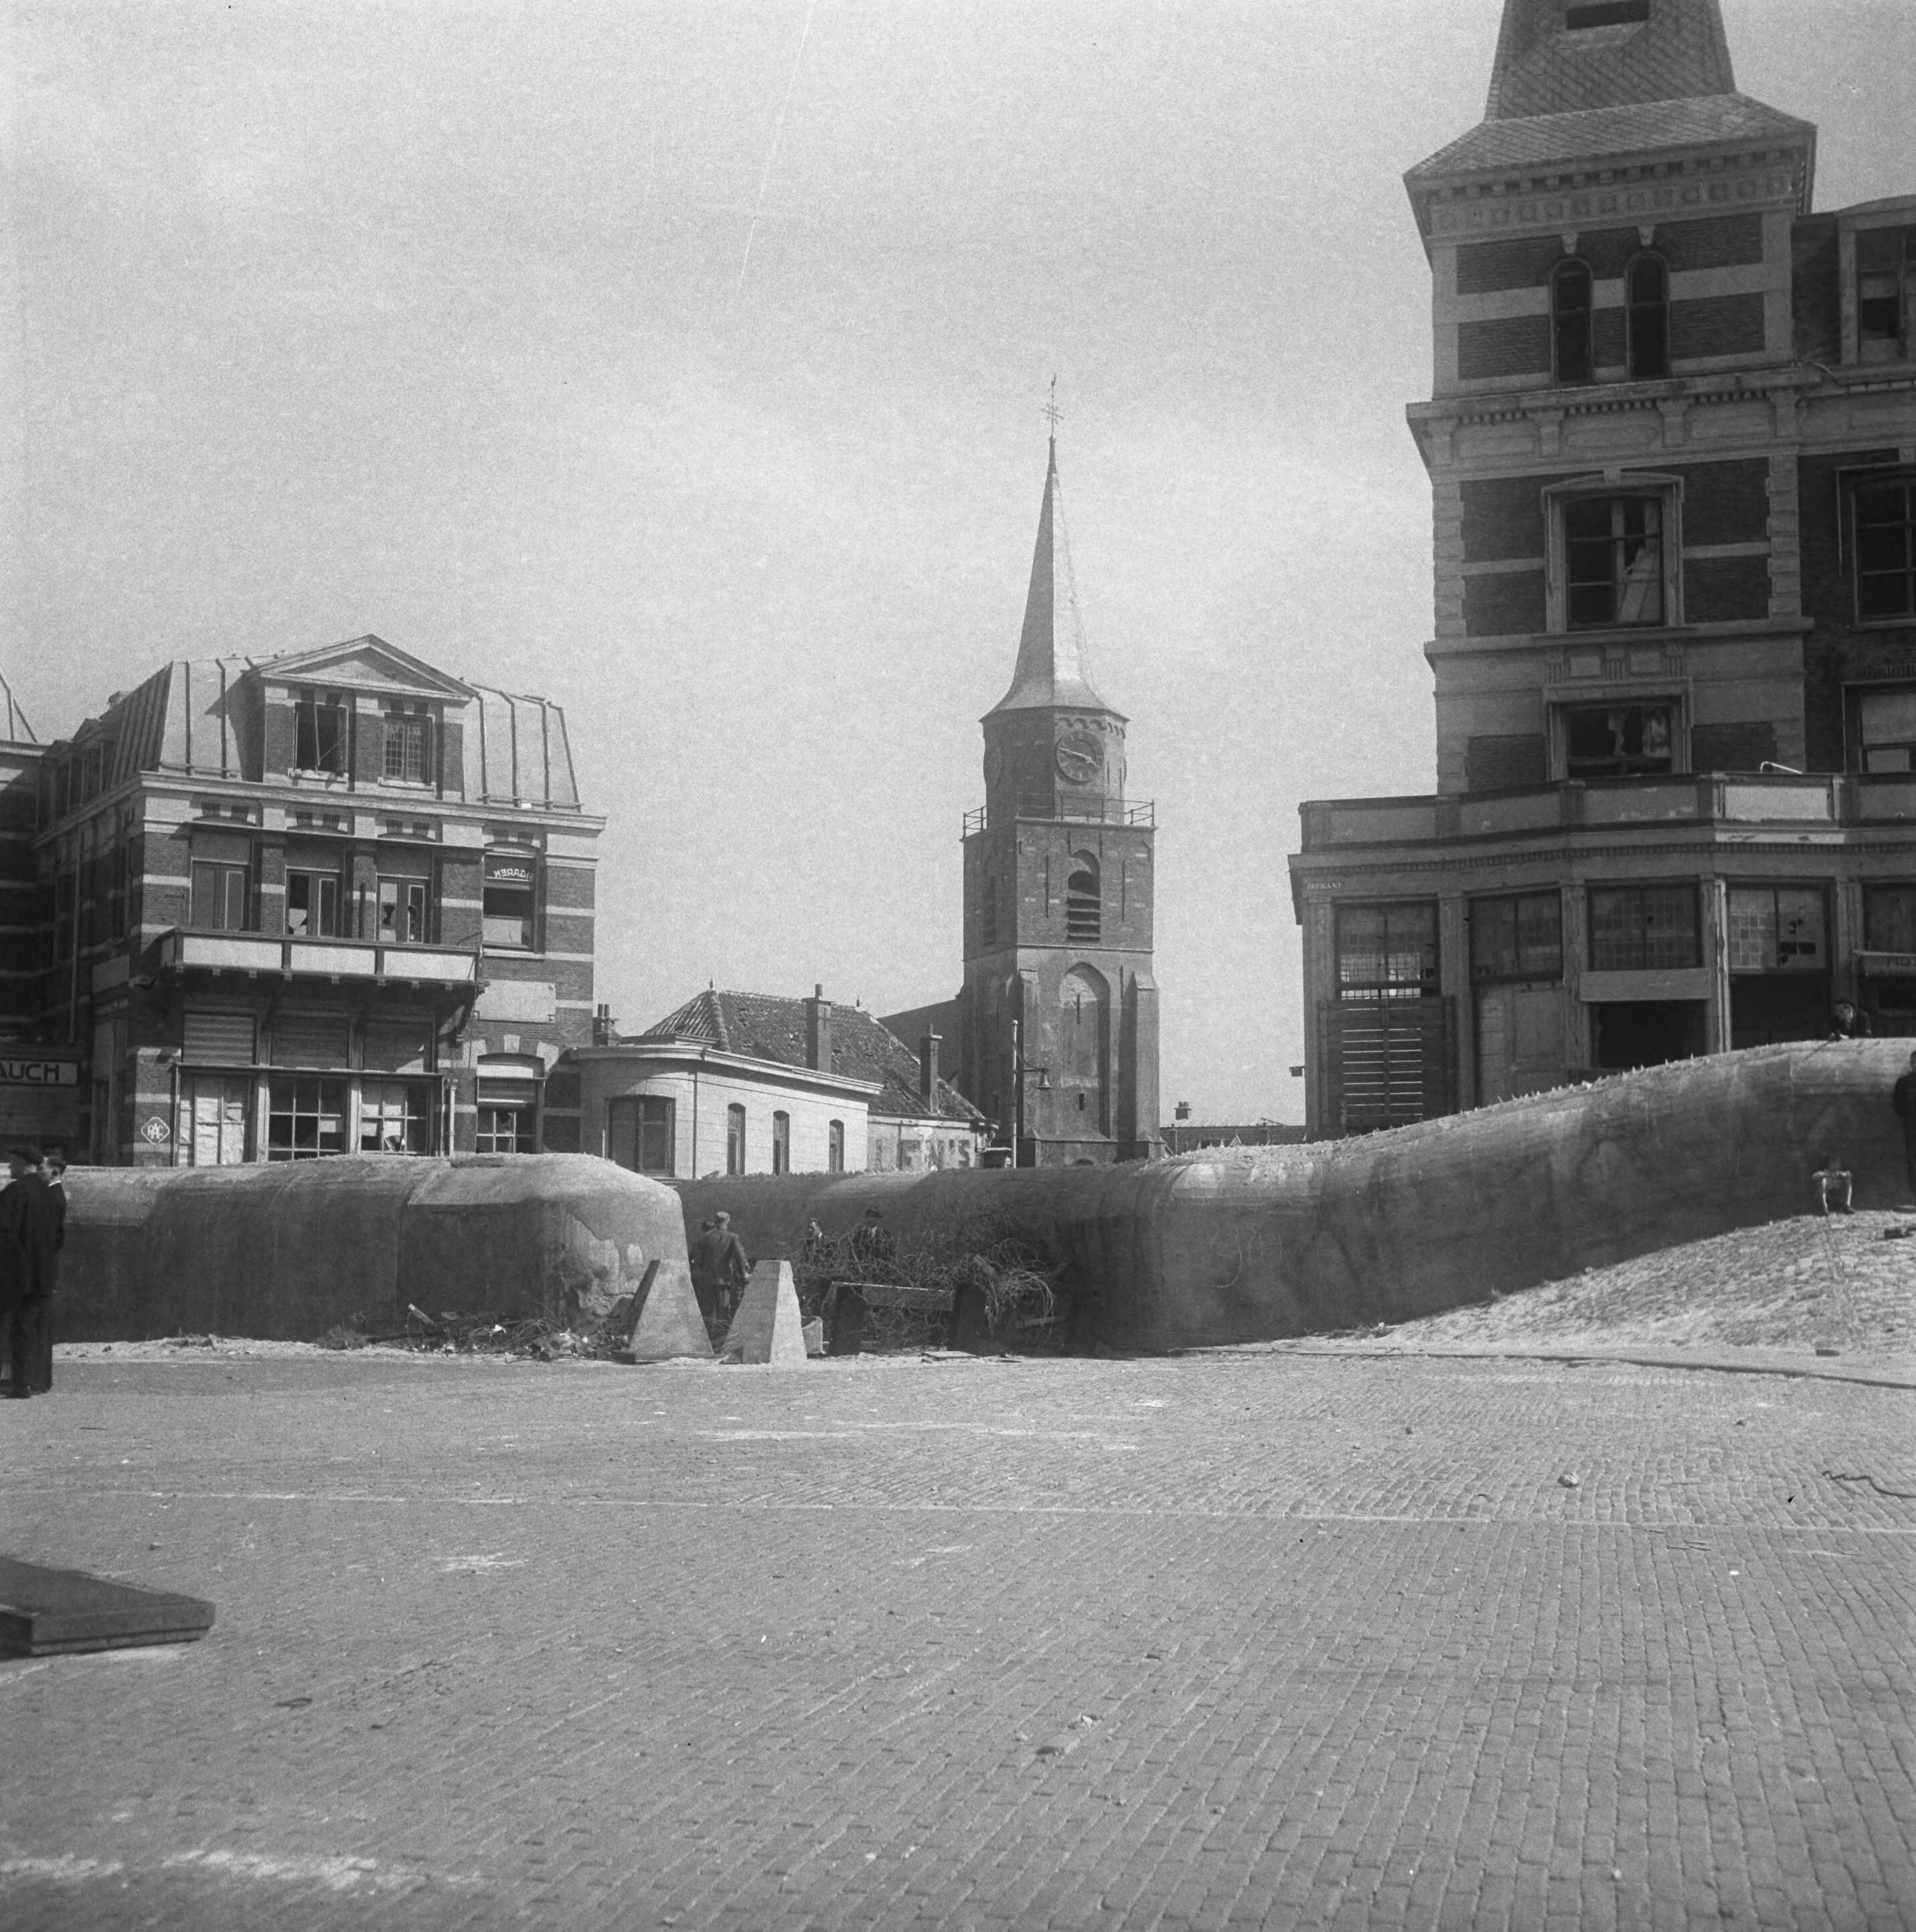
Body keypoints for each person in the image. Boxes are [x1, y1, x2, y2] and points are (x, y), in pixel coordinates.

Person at [0, 1142, 58, 1398]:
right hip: (43, 1273)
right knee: (33, 1328)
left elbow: (6, 1233)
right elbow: (56, 1235)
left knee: (13, 1328)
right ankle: (31, 1381)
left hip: (16, 1274)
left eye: (11, 1161)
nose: (8, 1167)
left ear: (22, 1163)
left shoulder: (15, 1191)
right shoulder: (48, 1193)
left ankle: (18, 1383)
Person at [688, 1210, 750, 1336]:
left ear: (715, 1221)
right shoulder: (732, 1237)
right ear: (727, 1222)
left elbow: (698, 1259)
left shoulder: (704, 1237)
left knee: (706, 1311)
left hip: (705, 1280)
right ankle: (720, 1338)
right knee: (723, 1311)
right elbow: (741, 1258)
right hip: (724, 1280)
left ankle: (705, 1338)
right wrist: (744, 1274)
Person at [1894, 1052, 1916, 1202]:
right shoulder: (1903, 1082)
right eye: (1913, 1063)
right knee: (1913, 1161)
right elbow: (1898, 1104)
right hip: (1911, 1127)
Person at [850, 1205, 896, 1275]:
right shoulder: (859, 1235)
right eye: (868, 1217)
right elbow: (853, 1252)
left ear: (877, 1219)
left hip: (881, 1272)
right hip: (862, 1272)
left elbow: (891, 1253)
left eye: (872, 1217)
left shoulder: (885, 1234)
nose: (870, 1219)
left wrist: (885, 1268)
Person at [1811, 1152, 1854, 1216]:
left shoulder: (1841, 1171)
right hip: (1827, 1196)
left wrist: (1844, 1174)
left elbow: (1849, 1174)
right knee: (1822, 1181)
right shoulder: (1824, 1170)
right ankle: (1824, 1208)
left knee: (1848, 1180)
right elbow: (1814, 1176)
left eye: (1838, 1163)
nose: (1837, 1165)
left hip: (1838, 1196)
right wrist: (1827, 1175)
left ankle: (1847, 1205)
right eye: (1834, 1163)